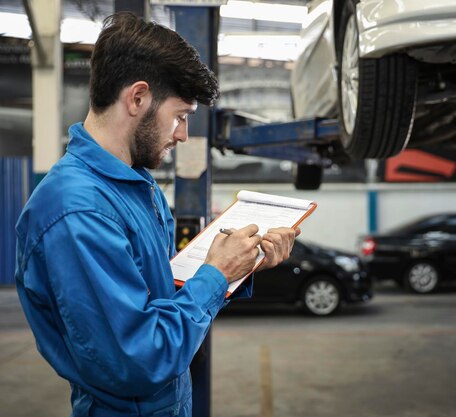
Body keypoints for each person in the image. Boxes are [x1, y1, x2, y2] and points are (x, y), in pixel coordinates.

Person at [14, 12, 297, 417]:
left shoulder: (134, 185)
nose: (182, 134)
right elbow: (140, 359)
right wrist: (215, 275)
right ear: (138, 98)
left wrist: (237, 265)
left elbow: (163, 299)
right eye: (180, 116)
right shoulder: (77, 211)